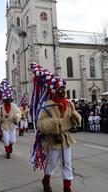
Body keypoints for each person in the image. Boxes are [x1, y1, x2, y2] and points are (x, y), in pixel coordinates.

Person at [30, 63, 81, 192]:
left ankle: (67, 188)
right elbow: (40, 124)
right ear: (54, 90)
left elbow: (76, 120)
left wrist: (76, 117)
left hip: (66, 139)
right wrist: (55, 122)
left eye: (63, 88)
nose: (62, 91)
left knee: (67, 164)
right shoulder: (47, 105)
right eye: (60, 89)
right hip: (53, 140)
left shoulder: (69, 104)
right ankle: (46, 180)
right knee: (52, 164)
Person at [0, 79, 21, 159]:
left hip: (12, 125)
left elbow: (19, 113)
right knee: (6, 140)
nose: (7, 101)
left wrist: (16, 117)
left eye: (9, 100)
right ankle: (8, 152)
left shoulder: (14, 106)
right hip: (4, 126)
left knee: (13, 140)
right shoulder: (0, 107)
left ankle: (10, 147)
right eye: (6, 100)